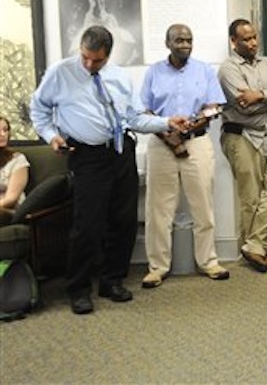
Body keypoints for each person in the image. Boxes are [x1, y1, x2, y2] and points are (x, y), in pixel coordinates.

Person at [29, 25, 188, 315]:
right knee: (87, 225)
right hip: (86, 155)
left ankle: (112, 281)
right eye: (86, 58)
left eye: (97, 60)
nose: (90, 64)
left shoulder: (118, 76)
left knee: (123, 220)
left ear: (108, 55)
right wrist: (51, 135)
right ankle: (78, 288)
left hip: (120, 152)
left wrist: (166, 123)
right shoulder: (60, 73)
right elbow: (38, 110)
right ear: (81, 50)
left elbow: (134, 118)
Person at [139, 24, 230, 288]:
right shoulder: (154, 72)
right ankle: (157, 267)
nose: (185, 45)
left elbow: (214, 107)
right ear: (167, 43)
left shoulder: (204, 70)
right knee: (158, 209)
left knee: (203, 205)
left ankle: (208, 261)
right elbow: (143, 111)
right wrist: (168, 133)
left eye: (189, 40)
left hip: (197, 143)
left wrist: (196, 122)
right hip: (161, 145)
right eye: (179, 40)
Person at [218, 19, 267, 273]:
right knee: (251, 198)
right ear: (233, 42)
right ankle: (258, 250)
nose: (253, 43)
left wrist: (259, 94)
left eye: (254, 37)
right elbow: (242, 107)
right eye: (246, 39)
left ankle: (253, 246)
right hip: (243, 136)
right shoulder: (228, 69)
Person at [0, 116, 30, 214]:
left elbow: (11, 199)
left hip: (8, 211)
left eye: (5, 130)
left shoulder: (17, 159)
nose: (3, 134)